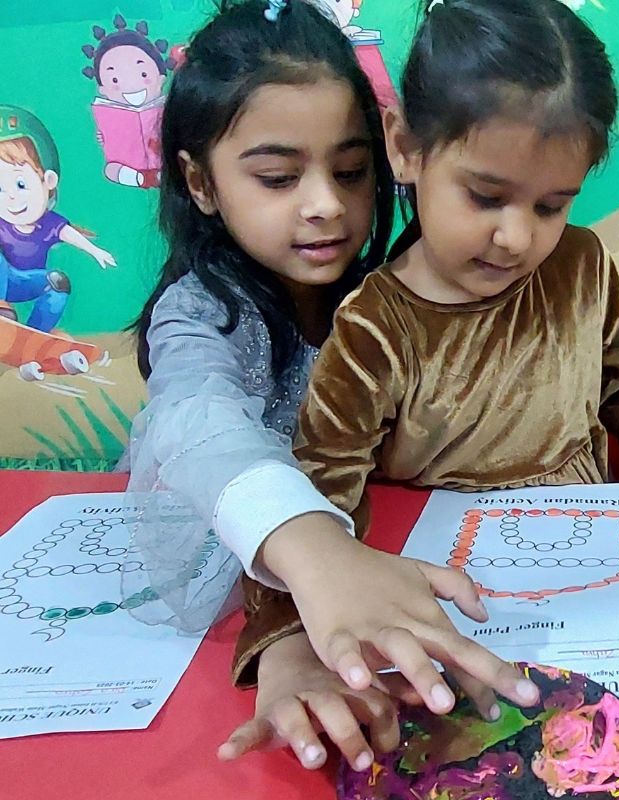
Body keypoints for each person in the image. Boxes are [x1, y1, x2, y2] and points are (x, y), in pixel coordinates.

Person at [223, 0, 619, 772]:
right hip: (443, 598)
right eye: (486, 197)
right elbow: (316, 495)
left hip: (593, 586)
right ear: (406, 147)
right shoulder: (376, 325)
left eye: (551, 205)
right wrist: (286, 639)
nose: (518, 236)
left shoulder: (581, 266)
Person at [122, 0, 532, 773]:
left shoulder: (394, 291)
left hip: (391, 554)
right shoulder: (200, 314)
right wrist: (292, 619)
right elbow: (194, 423)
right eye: (278, 177)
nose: (326, 206)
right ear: (200, 181)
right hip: (244, 585)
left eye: (350, 171)